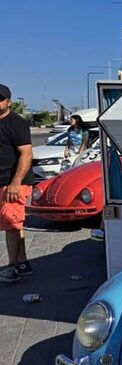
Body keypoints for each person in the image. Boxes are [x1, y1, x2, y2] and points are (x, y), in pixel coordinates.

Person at [0, 84, 34, 283]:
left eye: (1, 99)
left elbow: (26, 153)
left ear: (9, 102)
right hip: (3, 182)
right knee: (14, 222)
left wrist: (15, 183)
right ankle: (22, 264)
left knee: (11, 223)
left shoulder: (15, 123)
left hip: (13, 183)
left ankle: (12, 268)